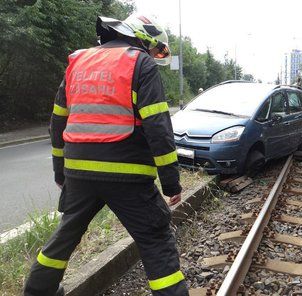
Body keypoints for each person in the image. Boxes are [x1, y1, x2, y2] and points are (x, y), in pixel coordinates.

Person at [24, 14, 188, 296]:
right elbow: (158, 127)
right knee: (155, 238)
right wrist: (170, 182)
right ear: (143, 38)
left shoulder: (79, 62)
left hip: (79, 173)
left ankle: (37, 291)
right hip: (128, 175)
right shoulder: (140, 63)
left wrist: (59, 171)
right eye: (157, 48)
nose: (155, 54)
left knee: (65, 236)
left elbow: (58, 121)